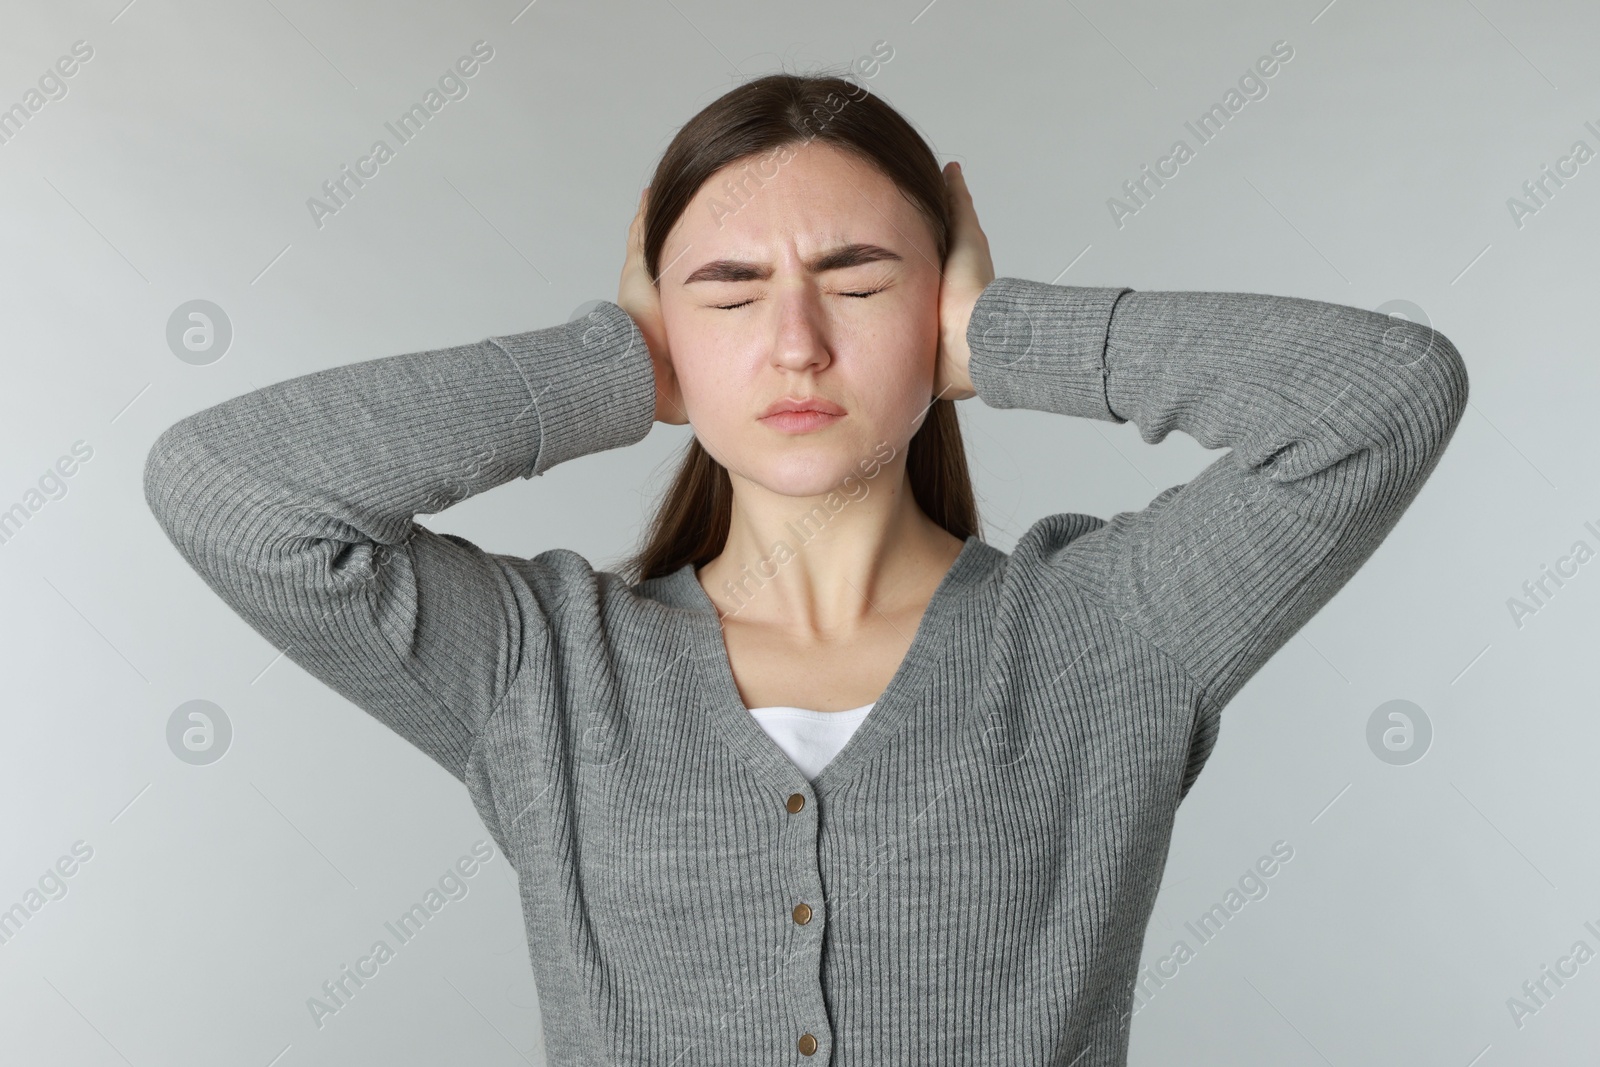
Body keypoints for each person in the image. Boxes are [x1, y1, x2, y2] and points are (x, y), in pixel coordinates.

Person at [144, 72, 1468, 1065]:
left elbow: (1379, 397)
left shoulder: (1104, 636)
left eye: (857, 279)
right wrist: (608, 367)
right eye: (726, 290)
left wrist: (1004, 337)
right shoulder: (539, 668)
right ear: (668, 326)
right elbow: (232, 491)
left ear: (936, 305)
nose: (793, 343)